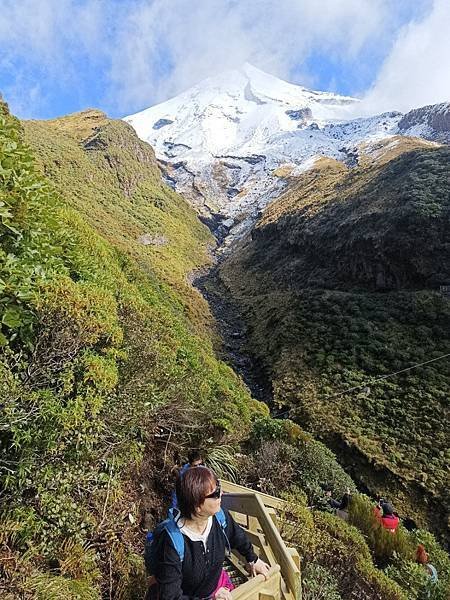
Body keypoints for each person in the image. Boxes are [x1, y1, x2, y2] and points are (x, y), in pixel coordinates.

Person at [150, 466, 270, 600]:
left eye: (218, 487)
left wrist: (252, 559)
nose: (221, 494)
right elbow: (171, 596)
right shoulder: (172, 542)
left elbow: (237, 536)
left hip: (216, 586)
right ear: (197, 506)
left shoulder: (220, 518)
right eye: (215, 493)